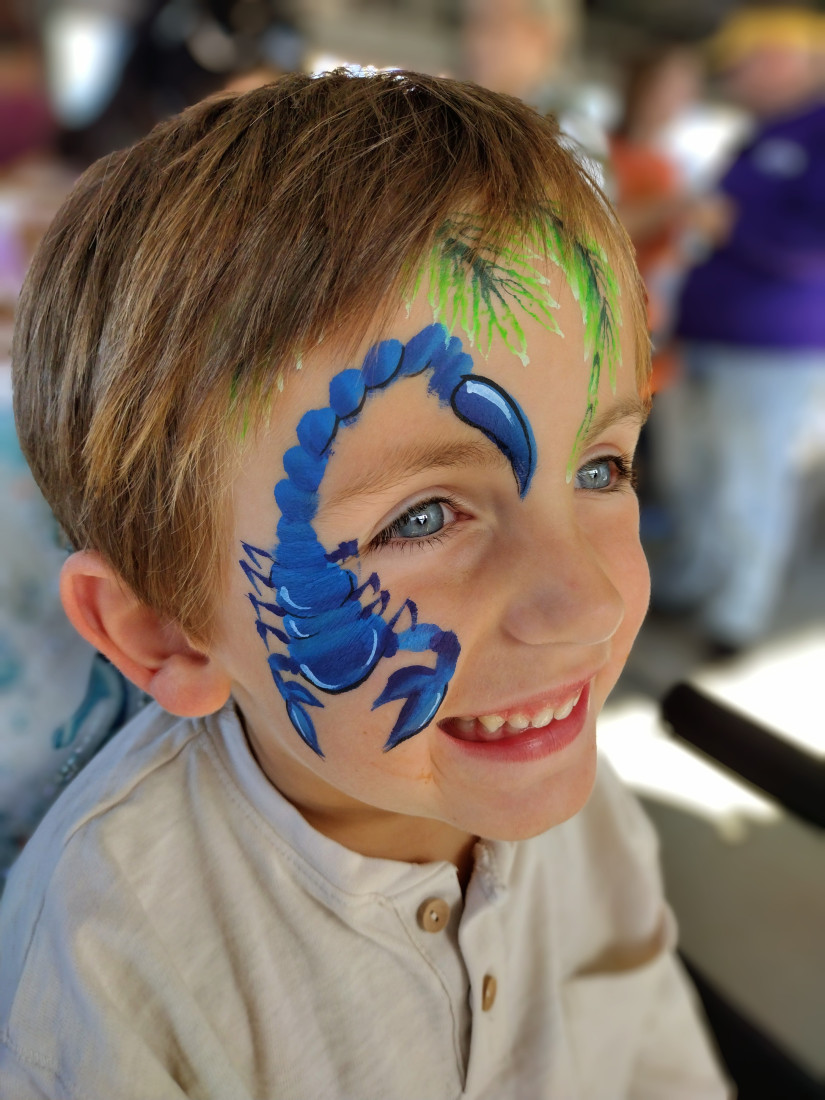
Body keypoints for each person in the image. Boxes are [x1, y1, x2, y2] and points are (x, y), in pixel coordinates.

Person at [0, 70, 729, 1098]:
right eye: (422, 516)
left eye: (601, 467)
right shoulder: (106, 953)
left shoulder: (566, 775)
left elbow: (657, 1044)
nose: (589, 607)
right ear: (162, 630)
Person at [652, 8, 825, 653]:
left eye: (747, 59)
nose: (735, 74)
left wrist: (731, 225)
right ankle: (695, 577)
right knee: (695, 474)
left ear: (788, 55)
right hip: (708, 338)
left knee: (751, 482)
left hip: (773, 350)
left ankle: (738, 613)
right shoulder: (762, 133)